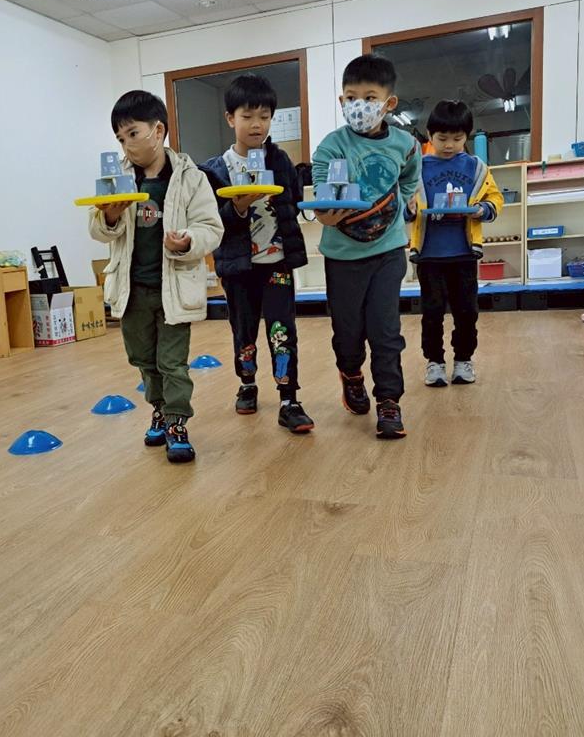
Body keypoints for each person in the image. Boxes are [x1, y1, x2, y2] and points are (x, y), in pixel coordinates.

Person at [89, 90, 223, 463]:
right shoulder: (117, 179)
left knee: (173, 362)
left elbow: (211, 227)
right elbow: (98, 229)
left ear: (158, 130)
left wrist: (188, 241)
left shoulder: (190, 178)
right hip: (132, 289)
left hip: (174, 288)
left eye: (133, 133)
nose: (127, 145)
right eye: (120, 139)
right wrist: (110, 216)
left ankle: (177, 422)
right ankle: (160, 410)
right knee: (144, 360)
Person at [311, 55, 423, 440]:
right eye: (351, 97)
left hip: (388, 251)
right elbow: (322, 192)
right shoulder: (331, 146)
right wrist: (326, 214)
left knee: (385, 330)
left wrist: (399, 203)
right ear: (341, 101)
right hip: (343, 256)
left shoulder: (406, 145)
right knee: (348, 334)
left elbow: (410, 179)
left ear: (389, 103)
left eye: (370, 97)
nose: (359, 105)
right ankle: (351, 373)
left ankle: (389, 401)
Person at [199, 74, 314, 433]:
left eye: (264, 116)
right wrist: (239, 207)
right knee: (243, 330)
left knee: (282, 330)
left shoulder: (280, 160)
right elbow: (211, 222)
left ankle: (288, 398)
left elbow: (292, 202)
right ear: (230, 118)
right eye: (247, 116)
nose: (256, 124)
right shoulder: (214, 169)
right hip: (238, 267)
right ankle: (247, 383)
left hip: (277, 262)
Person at [407, 100, 504, 387]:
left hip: (464, 253)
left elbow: (495, 197)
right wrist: (408, 210)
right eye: (442, 138)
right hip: (429, 255)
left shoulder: (476, 167)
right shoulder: (417, 168)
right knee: (432, 312)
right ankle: (434, 362)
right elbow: (405, 204)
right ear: (429, 135)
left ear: (467, 136)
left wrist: (482, 209)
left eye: (457, 138)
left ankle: (463, 360)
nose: (449, 145)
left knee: (466, 311)